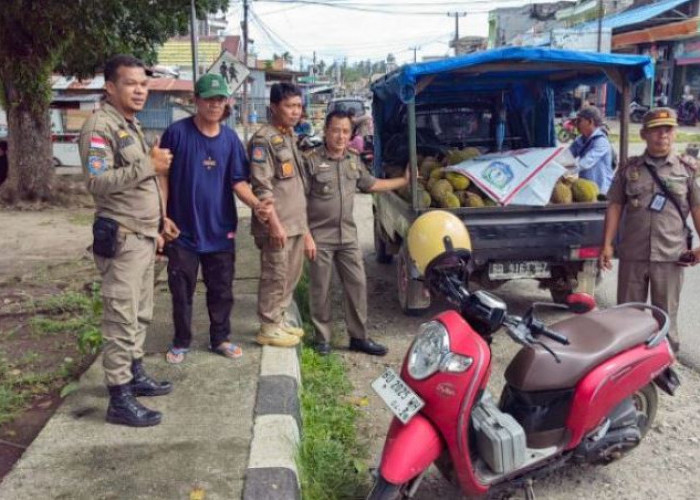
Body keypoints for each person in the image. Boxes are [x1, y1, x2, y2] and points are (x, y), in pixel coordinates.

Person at [79, 54, 174, 428]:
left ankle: (134, 374)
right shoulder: (100, 127)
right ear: (110, 87)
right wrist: (148, 166)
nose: (140, 90)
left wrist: (162, 220)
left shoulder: (129, 125)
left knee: (139, 312)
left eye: (144, 84)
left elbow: (141, 184)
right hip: (121, 238)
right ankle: (119, 398)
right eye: (131, 83)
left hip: (144, 235)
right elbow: (97, 183)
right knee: (120, 317)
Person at [158, 74, 272, 364]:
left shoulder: (231, 140)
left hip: (221, 230)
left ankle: (220, 338)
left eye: (219, 99)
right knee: (181, 290)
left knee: (221, 290)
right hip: (181, 231)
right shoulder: (177, 134)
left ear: (226, 103)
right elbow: (162, 178)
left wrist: (257, 204)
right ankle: (181, 340)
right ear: (196, 100)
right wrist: (162, 217)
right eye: (208, 98)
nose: (214, 104)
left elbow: (238, 182)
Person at [304, 110, 410, 356]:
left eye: (345, 131)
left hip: (348, 237)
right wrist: (305, 235)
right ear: (326, 131)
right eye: (335, 130)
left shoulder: (353, 160)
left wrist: (403, 182)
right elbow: (298, 201)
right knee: (320, 289)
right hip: (320, 236)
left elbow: (371, 184)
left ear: (351, 134)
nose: (340, 136)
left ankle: (359, 337)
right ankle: (322, 339)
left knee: (357, 285)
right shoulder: (310, 161)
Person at [599, 107, 700, 353]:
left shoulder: (687, 170)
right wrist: (607, 244)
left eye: (668, 130)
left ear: (675, 133)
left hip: (670, 256)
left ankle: (665, 363)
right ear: (644, 134)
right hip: (633, 254)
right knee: (627, 315)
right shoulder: (629, 169)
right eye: (656, 130)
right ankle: (626, 362)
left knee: (666, 315)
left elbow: (697, 207)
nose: (662, 135)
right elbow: (615, 205)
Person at [248, 82, 309, 347]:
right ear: (274, 107)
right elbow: (262, 188)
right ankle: (268, 326)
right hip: (278, 224)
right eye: (289, 106)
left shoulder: (288, 136)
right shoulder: (263, 139)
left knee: (290, 275)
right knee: (275, 274)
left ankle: (279, 319)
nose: (295, 111)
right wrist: (273, 224)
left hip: (294, 223)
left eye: (298, 106)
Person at [569, 107, 614, 194]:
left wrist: (566, 172)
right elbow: (567, 155)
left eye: (579, 121)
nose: (577, 124)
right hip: (585, 190)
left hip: (602, 191)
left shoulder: (601, 141)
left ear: (590, 122)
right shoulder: (580, 140)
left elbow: (586, 162)